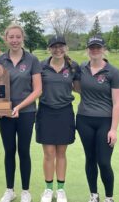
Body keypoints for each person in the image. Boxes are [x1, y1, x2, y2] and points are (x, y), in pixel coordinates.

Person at [0, 24, 42, 202]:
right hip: (5, 113)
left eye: (17, 37)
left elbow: (37, 90)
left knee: (23, 150)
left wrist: (19, 107)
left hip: (27, 112)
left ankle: (26, 191)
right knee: (9, 151)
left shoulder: (32, 60)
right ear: (5, 39)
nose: (14, 40)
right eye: (11, 37)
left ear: (23, 38)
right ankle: (9, 190)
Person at [76, 35, 119, 202]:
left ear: (104, 49)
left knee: (103, 161)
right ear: (88, 50)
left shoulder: (113, 72)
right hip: (83, 120)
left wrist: (113, 129)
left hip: (105, 121)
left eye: (98, 47)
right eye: (92, 47)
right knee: (90, 159)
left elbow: (117, 103)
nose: (95, 50)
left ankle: (109, 197)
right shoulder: (82, 68)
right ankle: (93, 195)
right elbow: (76, 87)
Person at [36, 35, 80, 202]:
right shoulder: (41, 66)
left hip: (65, 112)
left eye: (61, 46)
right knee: (48, 154)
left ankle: (60, 190)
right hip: (46, 112)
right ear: (49, 49)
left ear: (65, 48)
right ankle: (48, 189)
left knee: (61, 153)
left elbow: (79, 88)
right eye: (54, 46)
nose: (58, 49)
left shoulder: (72, 66)